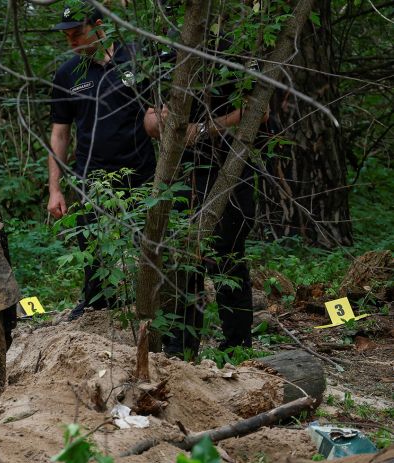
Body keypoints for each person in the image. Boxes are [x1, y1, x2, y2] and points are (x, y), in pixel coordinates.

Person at [143, 54, 264, 359]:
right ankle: (180, 347)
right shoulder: (168, 54)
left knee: (228, 254)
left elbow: (257, 111)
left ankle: (237, 347)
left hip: (230, 169)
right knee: (182, 257)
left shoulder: (238, 50)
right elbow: (150, 118)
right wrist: (168, 124)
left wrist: (204, 129)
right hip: (182, 173)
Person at [47, 0, 156, 320]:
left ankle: (151, 305)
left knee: (149, 246)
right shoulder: (68, 74)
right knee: (91, 248)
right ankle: (96, 305)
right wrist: (55, 188)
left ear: (97, 25)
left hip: (141, 174)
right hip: (91, 178)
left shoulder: (136, 58)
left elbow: (160, 111)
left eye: (77, 33)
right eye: (66, 36)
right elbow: (60, 134)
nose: (72, 42)